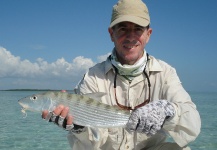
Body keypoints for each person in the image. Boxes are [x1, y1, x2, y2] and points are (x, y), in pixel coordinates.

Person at [42, 0, 201, 149]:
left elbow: (193, 126)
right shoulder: (92, 77)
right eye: (123, 28)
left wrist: (169, 111)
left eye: (138, 29)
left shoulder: (166, 73)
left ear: (148, 34)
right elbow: (94, 142)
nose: (131, 36)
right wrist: (79, 128)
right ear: (111, 34)